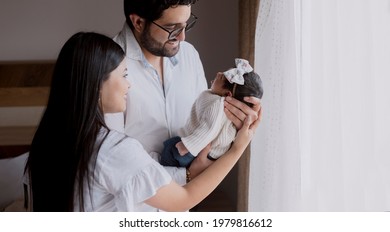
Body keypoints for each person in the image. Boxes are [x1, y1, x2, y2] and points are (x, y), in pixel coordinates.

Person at [24, 32, 261, 212]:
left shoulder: (48, 141)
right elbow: (181, 201)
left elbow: (133, 177)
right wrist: (239, 147)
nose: (129, 85)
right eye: (124, 75)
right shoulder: (112, 149)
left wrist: (189, 174)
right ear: (97, 84)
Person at [105, 0, 262, 203]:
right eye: (172, 28)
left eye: (186, 24)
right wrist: (187, 174)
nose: (182, 37)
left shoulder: (188, 55)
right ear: (138, 22)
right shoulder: (107, 68)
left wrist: (237, 120)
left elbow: (204, 126)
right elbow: (112, 165)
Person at [160, 58, 263, 167]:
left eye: (222, 77)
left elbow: (209, 129)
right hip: (200, 150)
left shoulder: (217, 105)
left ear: (228, 95)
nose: (218, 73)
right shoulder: (219, 101)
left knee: (169, 151)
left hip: (192, 149)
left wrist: (187, 146)